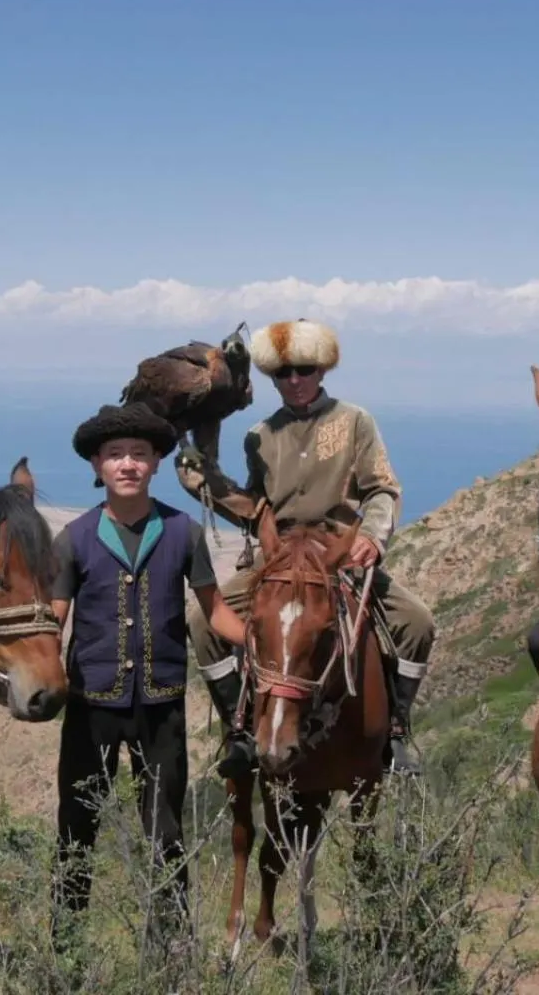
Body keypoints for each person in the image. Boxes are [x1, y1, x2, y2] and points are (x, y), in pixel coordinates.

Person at [176, 318, 436, 778]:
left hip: (340, 553)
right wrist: (208, 485)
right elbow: (258, 508)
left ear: (321, 371)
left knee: (416, 623)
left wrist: (373, 537)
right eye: (283, 373)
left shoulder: (355, 421)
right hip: (277, 557)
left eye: (304, 369)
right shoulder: (260, 434)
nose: (294, 380)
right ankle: (238, 732)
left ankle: (396, 733)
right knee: (203, 624)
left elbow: (382, 489)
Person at [49, 402, 248, 944]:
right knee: (76, 827)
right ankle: (64, 948)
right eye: (115, 455)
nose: (128, 464)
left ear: (157, 462)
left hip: (161, 706)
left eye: (139, 454)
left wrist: (263, 645)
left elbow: (217, 612)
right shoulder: (73, 538)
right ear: (97, 466)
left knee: (166, 831)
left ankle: (173, 948)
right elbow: (54, 621)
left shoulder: (183, 532)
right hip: (90, 706)